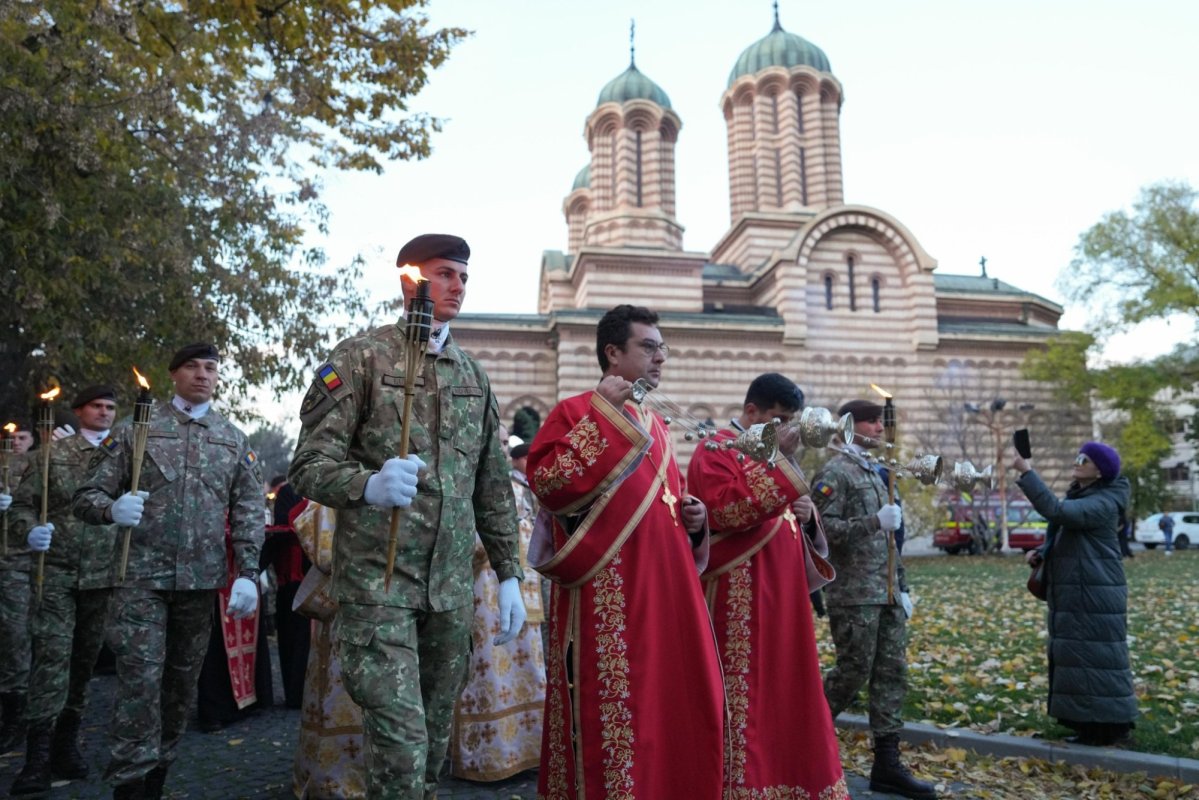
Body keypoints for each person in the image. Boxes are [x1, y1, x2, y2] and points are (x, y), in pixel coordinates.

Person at [288, 233, 526, 800]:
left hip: (447, 591)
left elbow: (491, 484)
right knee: (400, 740)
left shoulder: (473, 374)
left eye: (463, 276)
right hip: (378, 584)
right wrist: (366, 485)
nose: (458, 286)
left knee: (431, 746)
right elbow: (308, 466)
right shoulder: (361, 357)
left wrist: (509, 572)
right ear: (409, 280)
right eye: (445, 273)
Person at [526, 303, 726, 799]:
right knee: (614, 708)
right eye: (649, 347)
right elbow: (549, 485)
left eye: (663, 350)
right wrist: (602, 418)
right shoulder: (575, 411)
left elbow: (667, 501)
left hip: (666, 591)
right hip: (607, 594)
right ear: (613, 353)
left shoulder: (657, 424)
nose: (661, 359)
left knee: (670, 704)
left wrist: (693, 517)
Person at [73, 343, 264, 800]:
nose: (203, 375)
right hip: (140, 578)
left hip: (200, 583)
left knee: (179, 687)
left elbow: (249, 507)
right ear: (174, 375)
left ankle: (158, 773)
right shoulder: (138, 430)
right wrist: (111, 508)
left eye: (211, 368)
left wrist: (249, 571)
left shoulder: (232, 438)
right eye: (193, 367)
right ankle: (130, 783)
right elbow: (86, 494)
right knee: (140, 680)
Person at [687, 372, 848, 799]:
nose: (788, 430)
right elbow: (727, 511)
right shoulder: (716, 447)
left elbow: (789, 519)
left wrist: (810, 518)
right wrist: (781, 471)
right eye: (780, 420)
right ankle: (743, 786)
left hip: (786, 597)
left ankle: (791, 782)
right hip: (740, 597)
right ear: (752, 412)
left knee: (788, 694)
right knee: (747, 698)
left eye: (792, 420)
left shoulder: (777, 455)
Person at [814, 399, 936, 800]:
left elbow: (893, 543)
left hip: (884, 593)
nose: (879, 429)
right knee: (852, 673)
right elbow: (821, 531)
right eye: (870, 422)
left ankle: (887, 763)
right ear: (850, 425)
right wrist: (872, 522)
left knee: (891, 675)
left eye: (880, 422)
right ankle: (807, 743)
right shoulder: (835, 471)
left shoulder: (878, 472)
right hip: (853, 595)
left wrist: (902, 587)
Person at [9, 386, 120, 794]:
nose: (105, 413)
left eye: (111, 407)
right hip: (56, 571)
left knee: (83, 664)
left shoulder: (123, 456)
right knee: (51, 660)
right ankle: (36, 756)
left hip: (102, 575)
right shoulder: (52, 455)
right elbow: (23, 505)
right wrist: (29, 530)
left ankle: (66, 745)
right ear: (78, 411)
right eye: (97, 406)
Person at [1015, 440, 1136, 746]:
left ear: (1100, 471)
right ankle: (1087, 725)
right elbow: (1070, 533)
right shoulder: (1088, 494)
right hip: (1082, 590)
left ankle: (1107, 728)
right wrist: (1042, 552)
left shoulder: (1104, 501)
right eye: (1078, 456)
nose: (1077, 461)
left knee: (1096, 659)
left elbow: (1056, 511)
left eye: (1085, 459)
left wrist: (1028, 473)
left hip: (1095, 592)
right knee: (1080, 659)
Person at [449, 435, 545, 782]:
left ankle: (528, 749)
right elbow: (462, 541)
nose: (502, 447)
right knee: (487, 671)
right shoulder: (463, 483)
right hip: (481, 593)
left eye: (505, 441)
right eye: (498, 440)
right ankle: (485, 757)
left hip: (521, 590)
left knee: (528, 672)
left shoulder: (518, 487)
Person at [0, 420, 34, 753]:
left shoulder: (38, 464)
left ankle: (17, 714)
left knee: (17, 637)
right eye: (10, 437)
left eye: (23, 437)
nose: (16, 442)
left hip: (24, 561)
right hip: (6, 561)